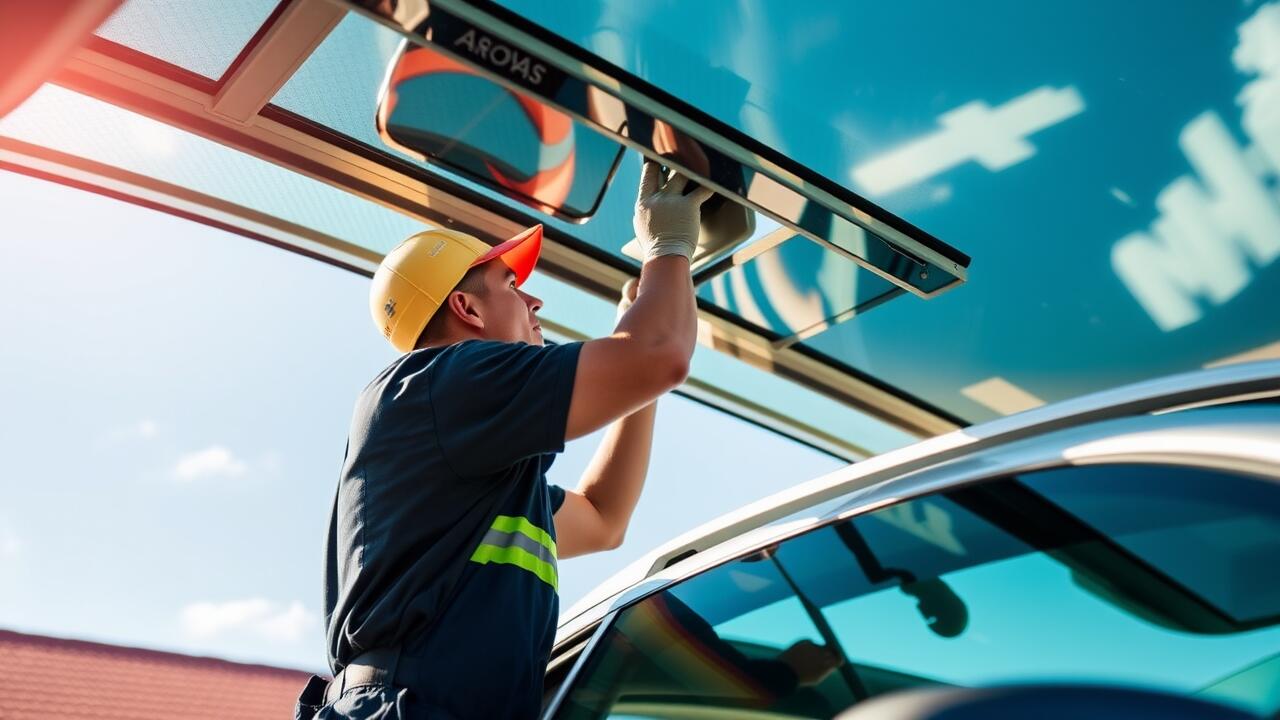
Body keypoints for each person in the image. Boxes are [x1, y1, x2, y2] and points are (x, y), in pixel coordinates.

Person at [295, 160, 715, 720]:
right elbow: (660, 354)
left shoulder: (478, 473)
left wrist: (639, 369)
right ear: (465, 309)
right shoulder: (443, 381)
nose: (535, 303)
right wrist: (668, 250)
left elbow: (603, 517)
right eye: (512, 285)